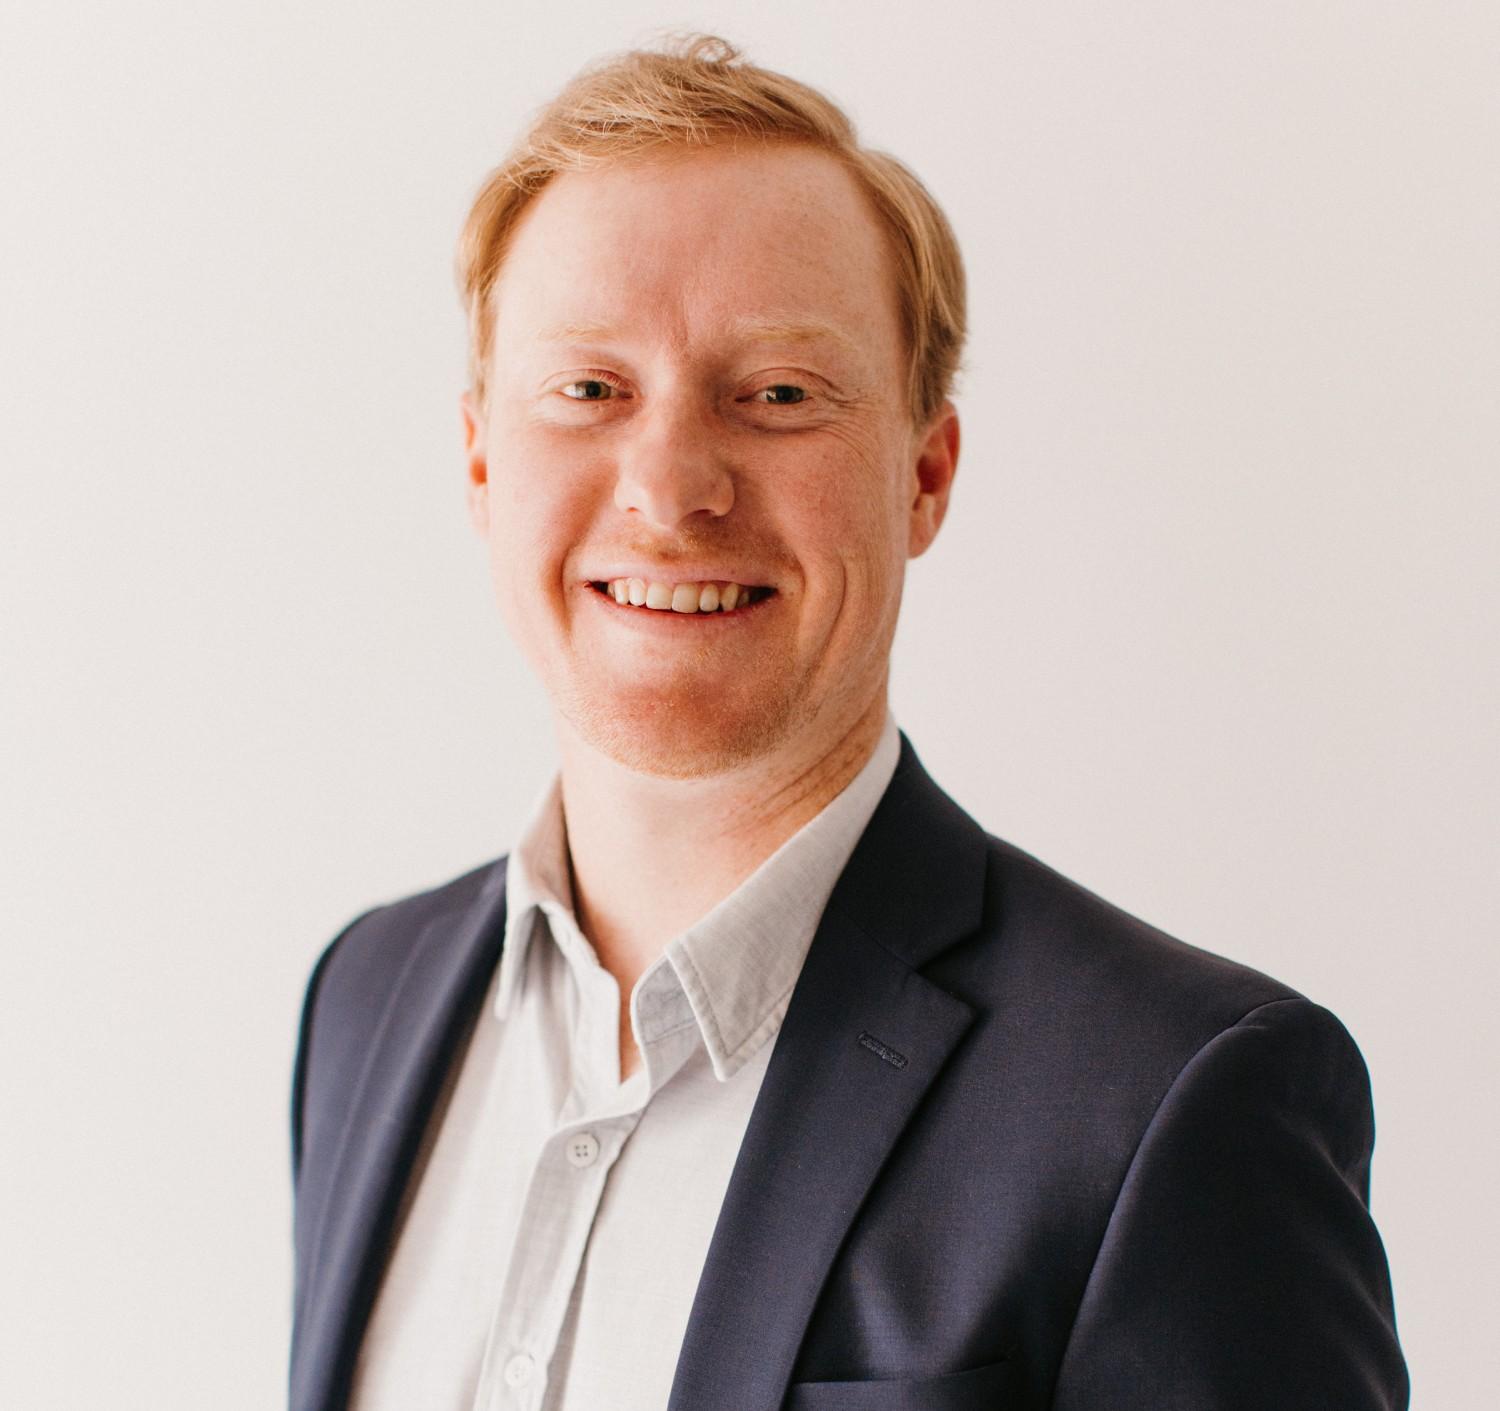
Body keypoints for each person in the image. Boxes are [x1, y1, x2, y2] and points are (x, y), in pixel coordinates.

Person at [288, 34, 1407, 1411]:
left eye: (778, 396)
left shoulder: (1177, 1099)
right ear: (478, 459)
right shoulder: (368, 1000)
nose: (672, 486)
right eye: (588, 390)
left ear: (925, 472)